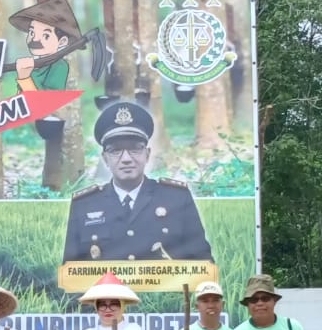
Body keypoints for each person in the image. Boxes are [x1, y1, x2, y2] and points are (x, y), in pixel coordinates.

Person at [62, 101, 212, 262]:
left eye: (135, 148)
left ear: (147, 154)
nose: (126, 158)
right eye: (115, 150)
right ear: (105, 159)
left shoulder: (177, 198)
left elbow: (203, 265)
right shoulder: (84, 204)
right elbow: (71, 270)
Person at [8, 0, 80, 91]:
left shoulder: (59, 66)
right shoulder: (32, 65)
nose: (35, 39)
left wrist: (24, 78)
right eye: (32, 33)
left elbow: (47, 99)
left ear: (62, 42)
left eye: (46, 36)